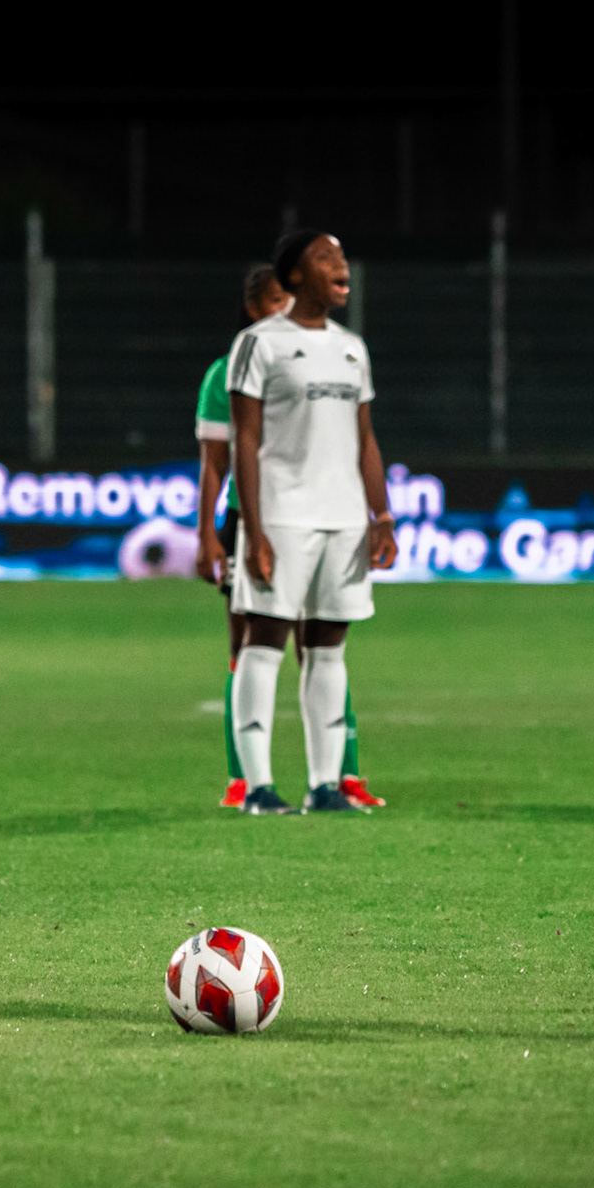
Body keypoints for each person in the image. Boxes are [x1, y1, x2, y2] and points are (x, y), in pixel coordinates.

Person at [195, 265, 382, 811]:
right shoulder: (229, 368)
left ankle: (339, 775)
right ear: (256, 308)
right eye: (277, 300)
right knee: (251, 643)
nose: (288, 309)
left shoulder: (334, 356)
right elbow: (215, 463)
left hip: (319, 519)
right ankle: (245, 777)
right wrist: (208, 533)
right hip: (254, 523)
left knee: (320, 644)